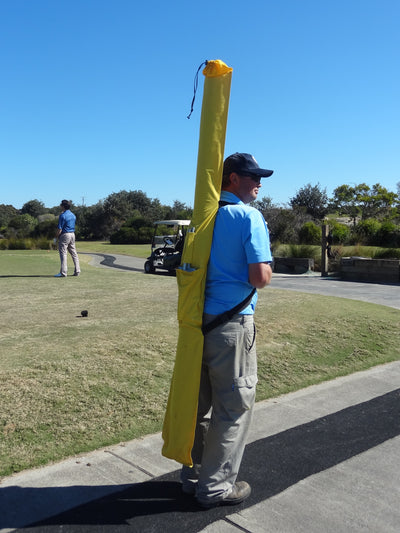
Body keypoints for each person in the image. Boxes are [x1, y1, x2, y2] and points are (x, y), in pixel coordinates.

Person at [181, 152, 273, 508]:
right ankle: (216, 487)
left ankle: (193, 479)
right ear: (233, 178)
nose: (259, 184)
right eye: (253, 177)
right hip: (232, 327)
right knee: (232, 409)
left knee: (198, 406)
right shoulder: (248, 216)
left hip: (196, 325)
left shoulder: (202, 216)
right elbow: (259, 277)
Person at [54, 200, 81, 277]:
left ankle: (63, 272)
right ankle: (77, 271)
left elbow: (59, 229)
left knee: (63, 253)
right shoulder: (73, 215)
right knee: (74, 253)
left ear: (63, 206)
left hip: (65, 235)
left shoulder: (62, 215)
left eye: (61, 205)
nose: (60, 206)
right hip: (72, 234)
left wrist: (56, 238)